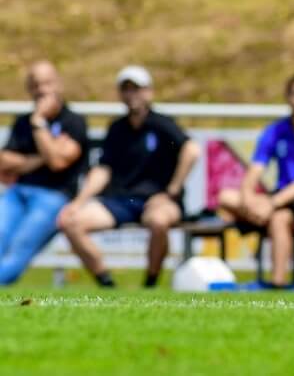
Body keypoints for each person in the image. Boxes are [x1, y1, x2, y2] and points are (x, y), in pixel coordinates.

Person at [57, 66, 202, 288]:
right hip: (123, 201)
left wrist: (171, 192)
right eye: (126, 89)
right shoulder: (117, 129)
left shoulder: (163, 124)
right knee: (70, 222)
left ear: (149, 92)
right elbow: (104, 169)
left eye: (137, 88)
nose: (132, 94)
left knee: (159, 221)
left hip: (158, 200)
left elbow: (191, 150)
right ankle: (107, 284)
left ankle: (150, 284)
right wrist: (78, 202)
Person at [218, 73, 294, 287]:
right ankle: (259, 218)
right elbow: (255, 169)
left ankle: (278, 284)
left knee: (279, 218)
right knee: (226, 197)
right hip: (280, 199)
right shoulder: (276, 130)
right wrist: (247, 198)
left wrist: (269, 205)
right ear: (287, 97)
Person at [0, 62, 88, 284]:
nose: (41, 90)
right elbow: (4, 161)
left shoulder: (73, 122)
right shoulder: (21, 122)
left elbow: (58, 162)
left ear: (58, 84)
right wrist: (43, 157)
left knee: (21, 245)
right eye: (35, 85)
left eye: (46, 83)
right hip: (17, 192)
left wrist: (39, 123)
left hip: (53, 196)